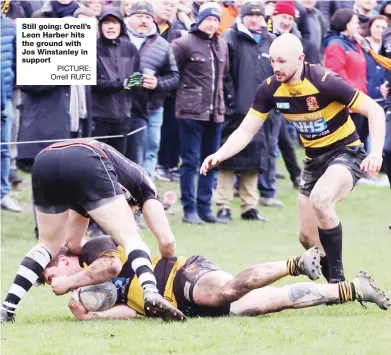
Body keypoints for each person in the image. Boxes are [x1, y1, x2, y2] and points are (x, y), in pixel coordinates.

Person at [200, 33, 386, 285]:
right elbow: (246, 129)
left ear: (300, 59)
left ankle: (338, 283)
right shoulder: (270, 89)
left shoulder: (324, 81)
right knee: (307, 238)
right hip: (314, 160)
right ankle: (335, 280)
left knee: (322, 200)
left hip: (346, 153)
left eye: (282, 62)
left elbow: (373, 109)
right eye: (273, 61)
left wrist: (375, 153)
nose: (276, 67)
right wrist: (219, 154)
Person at [0, 138, 185, 323]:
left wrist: (97, 257)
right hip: (87, 156)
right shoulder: (145, 188)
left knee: (47, 245)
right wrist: (162, 271)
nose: (135, 213)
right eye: (136, 212)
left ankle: (7, 308)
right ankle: (151, 293)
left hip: (45, 159)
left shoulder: (93, 190)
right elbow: (167, 241)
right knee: (131, 237)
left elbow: (72, 242)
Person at [40, 236, 389, 321]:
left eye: (51, 273)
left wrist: (70, 283)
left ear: (65, 258)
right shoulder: (90, 287)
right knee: (270, 303)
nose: (53, 284)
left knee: (226, 290)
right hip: (184, 305)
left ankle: (296, 262)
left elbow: (113, 268)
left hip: (181, 275)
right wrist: (93, 318)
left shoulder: (94, 249)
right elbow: (134, 310)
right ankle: (353, 288)